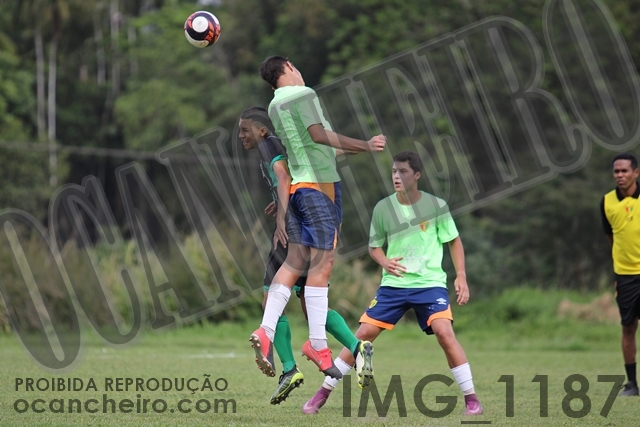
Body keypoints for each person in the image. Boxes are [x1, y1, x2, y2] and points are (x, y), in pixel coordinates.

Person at [302, 151, 483, 416]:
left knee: (444, 332)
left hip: (429, 284)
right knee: (361, 335)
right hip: (393, 286)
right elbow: (374, 247)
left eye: (403, 172)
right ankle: (321, 395)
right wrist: (384, 261)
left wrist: (461, 275)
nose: (396, 176)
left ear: (417, 175)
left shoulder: (436, 206)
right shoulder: (383, 208)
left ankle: (472, 400)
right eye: (394, 172)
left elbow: (454, 241)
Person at [249, 56, 386, 380]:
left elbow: (315, 146)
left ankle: (267, 329)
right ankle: (317, 344)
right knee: (322, 266)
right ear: (289, 66)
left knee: (294, 262)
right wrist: (366, 145)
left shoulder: (275, 105)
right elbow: (319, 135)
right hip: (320, 190)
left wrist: (355, 148)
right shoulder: (304, 94)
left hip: (299, 190)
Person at [238, 106, 374, 404]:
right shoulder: (287, 146)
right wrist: (363, 146)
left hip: (293, 228)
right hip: (311, 220)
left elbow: (283, 176)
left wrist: (281, 216)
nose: (241, 136)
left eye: (245, 130)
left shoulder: (269, 145)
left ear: (262, 130)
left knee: (271, 296)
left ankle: (288, 367)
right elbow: (320, 158)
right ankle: (356, 347)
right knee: (309, 300)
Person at [601, 152, 640, 396]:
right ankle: (632, 384)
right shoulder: (607, 202)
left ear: (636, 172)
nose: (620, 175)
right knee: (628, 327)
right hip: (625, 276)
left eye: (624, 171)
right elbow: (611, 237)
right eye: (616, 171)